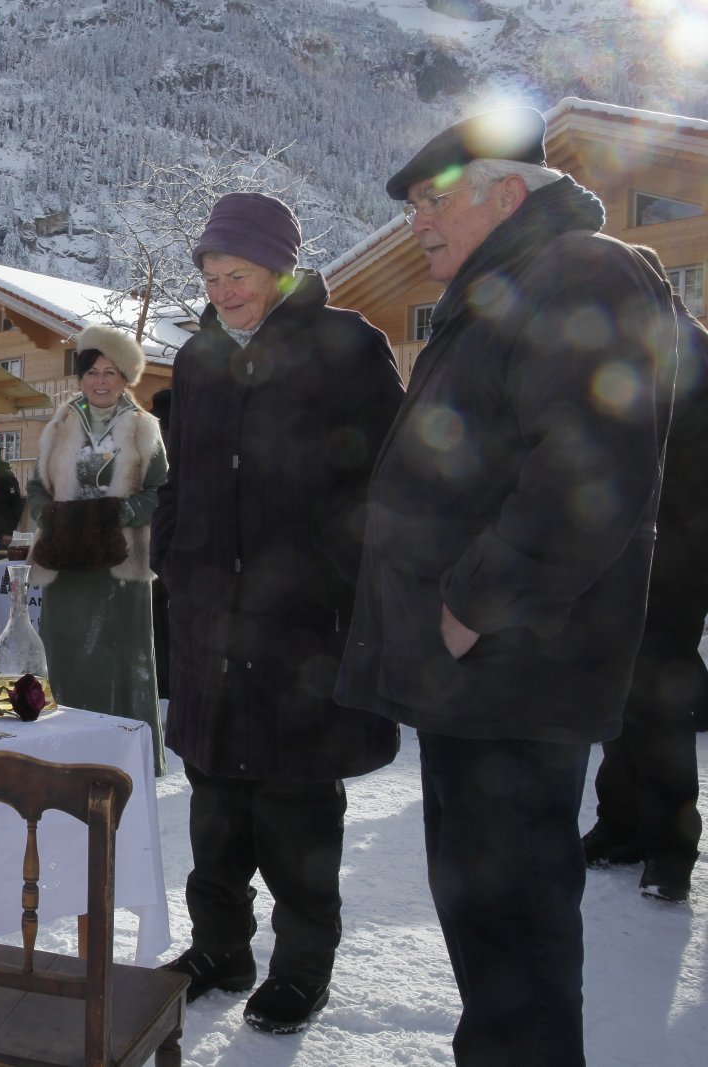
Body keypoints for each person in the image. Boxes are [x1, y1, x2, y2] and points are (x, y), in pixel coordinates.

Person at [334, 107, 676, 1066]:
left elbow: (588, 472)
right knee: (484, 919)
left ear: (507, 193)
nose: (416, 224)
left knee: (514, 929)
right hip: (481, 677)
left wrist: (473, 603)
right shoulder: (505, 287)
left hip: (515, 666)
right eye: (410, 207)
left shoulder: (580, 272)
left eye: (432, 202)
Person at [149, 192, 404, 1034]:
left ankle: (301, 968)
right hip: (210, 619)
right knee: (214, 800)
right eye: (212, 278)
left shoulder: (347, 345)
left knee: (297, 806)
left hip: (302, 625)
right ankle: (220, 947)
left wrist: (332, 568)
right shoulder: (197, 359)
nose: (223, 292)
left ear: (281, 270)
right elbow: (181, 476)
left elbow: (390, 475)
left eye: (239, 275)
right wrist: (174, 555)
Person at [584, 246, 707, 904]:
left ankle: (671, 849)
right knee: (622, 697)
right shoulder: (630, 348)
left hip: (676, 556)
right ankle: (621, 826)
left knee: (659, 705)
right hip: (628, 552)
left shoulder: (686, 351)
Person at [27, 325, 168, 771]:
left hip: (120, 569)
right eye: (92, 372)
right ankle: (66, 760)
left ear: (126, 378)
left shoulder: (144, 428)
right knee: (67, 660)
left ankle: (126, 762)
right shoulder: (59, 425)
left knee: (122, 663)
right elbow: (36, 488)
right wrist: (53, 518)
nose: (101, 381)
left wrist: (116, 514)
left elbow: (162, 493)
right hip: (66, 568)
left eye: (110, 372)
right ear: (81, 378)